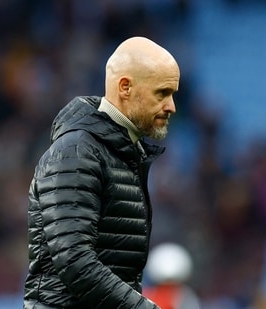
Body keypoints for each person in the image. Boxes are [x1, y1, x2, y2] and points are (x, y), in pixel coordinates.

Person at [23, 36, 180, 309]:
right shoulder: (77, 152)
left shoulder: (121, 153)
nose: (171, 106)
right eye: (162, 93)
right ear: (125, 87)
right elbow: (74, 261)